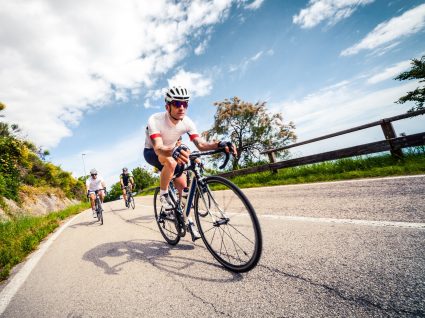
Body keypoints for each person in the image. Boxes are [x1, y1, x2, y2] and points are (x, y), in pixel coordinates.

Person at [143, 86, 236, 241]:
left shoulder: (187, 122)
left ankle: (187, 218)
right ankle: (164, 195)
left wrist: (219, 144)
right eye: (177, 103)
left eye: (185, 104)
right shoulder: (155, 120)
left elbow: (200, 144)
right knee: (171, 162)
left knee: (183, 188)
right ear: (168, 106)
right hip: (154, 152)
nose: (181, 107)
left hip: (174, 151)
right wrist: (173, 150)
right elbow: (159, 147)